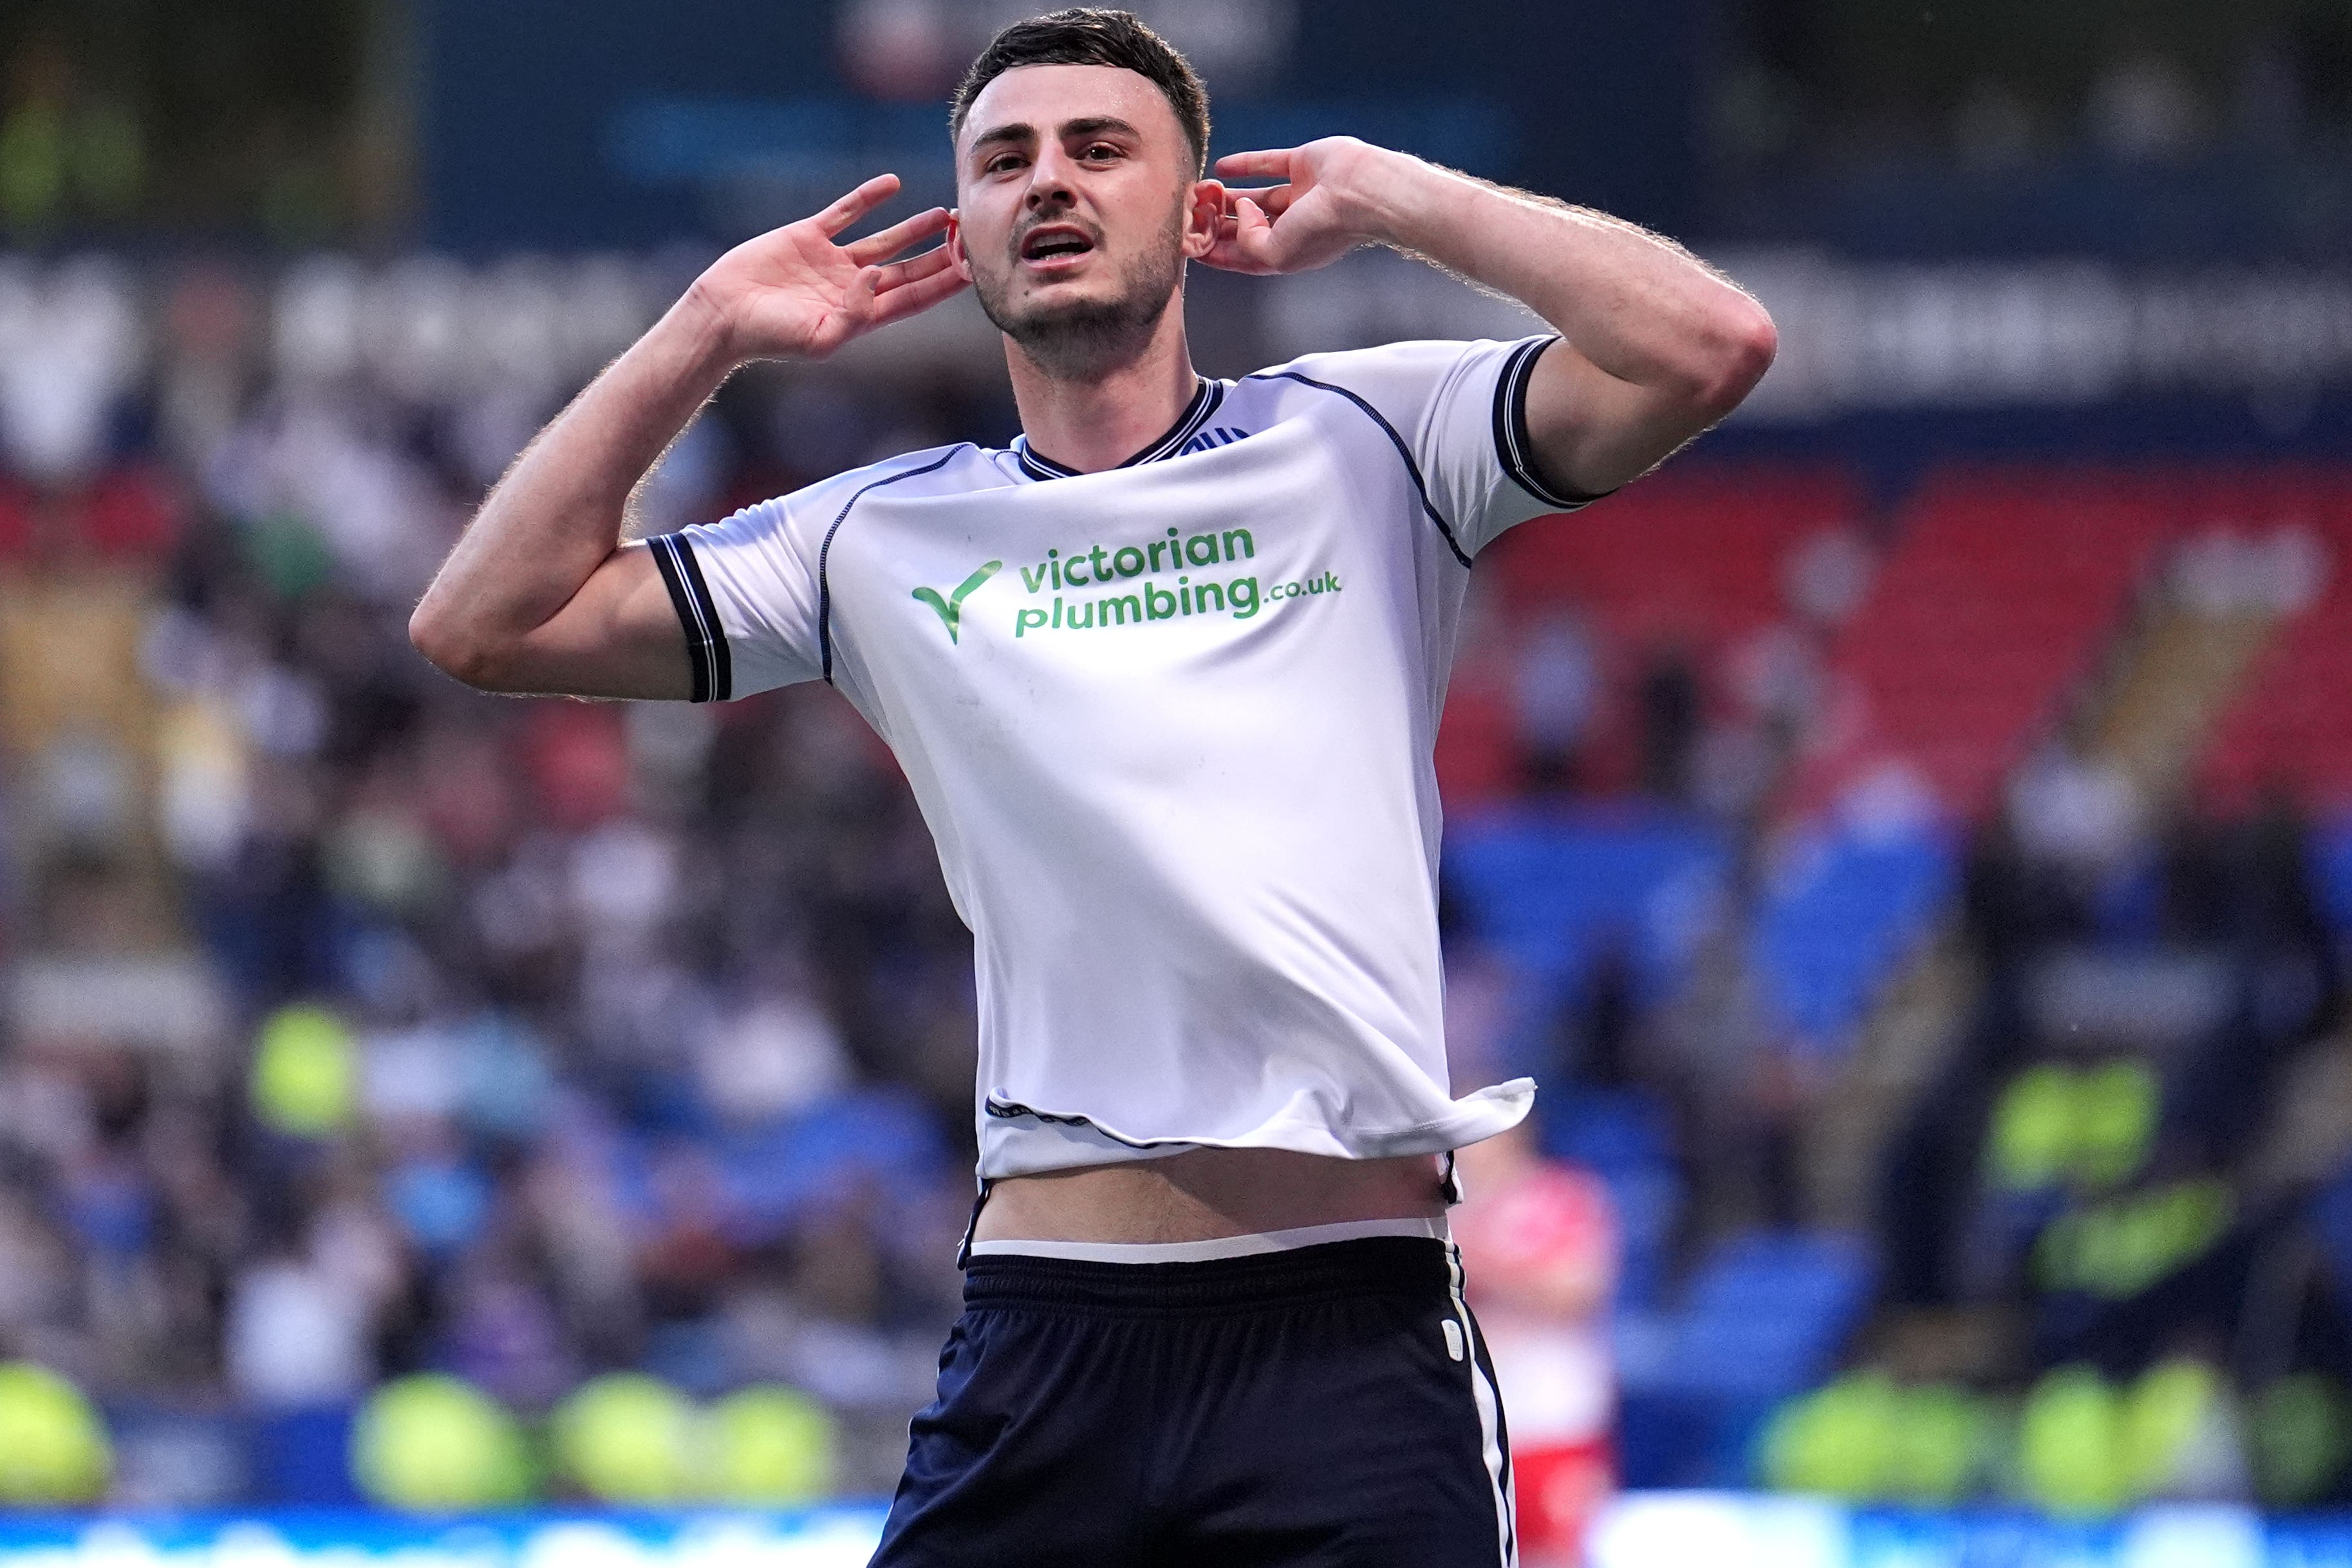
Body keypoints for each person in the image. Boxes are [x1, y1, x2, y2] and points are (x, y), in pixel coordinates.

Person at [408, 10, 1775, 1563]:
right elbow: (482, 622)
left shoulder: (1371, 438)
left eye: (1100, 149)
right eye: (1004, 159)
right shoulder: (875, 536)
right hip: (1050, 1338)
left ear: (1198, 213)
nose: (1047, 182)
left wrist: (1393, 192)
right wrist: (706, 329)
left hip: (1351, 1338)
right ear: (970, 228)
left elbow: (1711, 345)